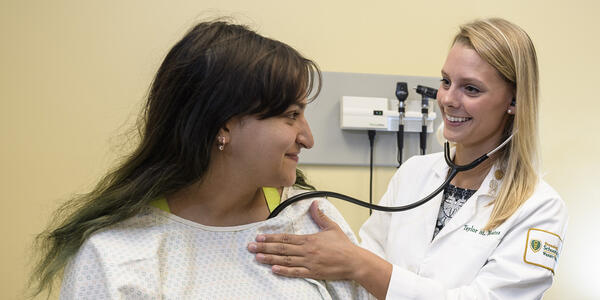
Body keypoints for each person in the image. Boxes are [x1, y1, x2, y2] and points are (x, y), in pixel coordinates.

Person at [29, 20, 369, 299]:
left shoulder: (313, 223)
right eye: (291, 115)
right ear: (223, 124)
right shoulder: (116, 255)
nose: (308, 138)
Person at [248, 18, 568, 299]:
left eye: (470, 89)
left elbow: (370, 267)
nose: (447, 99)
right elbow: (367, 269)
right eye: (445, 81)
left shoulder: (539, 208)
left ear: (514, 101)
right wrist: (340, 259)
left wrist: (359, 263)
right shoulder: (413, 174)